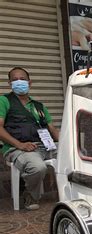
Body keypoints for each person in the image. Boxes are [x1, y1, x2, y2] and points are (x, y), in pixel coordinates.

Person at [0, 67, 60, 210]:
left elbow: (52, 129)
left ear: (29, 82)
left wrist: (68, 145)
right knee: (38, 167)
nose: (19, 82)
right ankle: (30, 194)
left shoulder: (39, 106)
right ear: (9, 83)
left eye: (22, 79)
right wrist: (19, 145)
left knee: (75, 157)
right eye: (15, 80)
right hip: (18, 148)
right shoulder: (4, 101)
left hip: (44, 146)